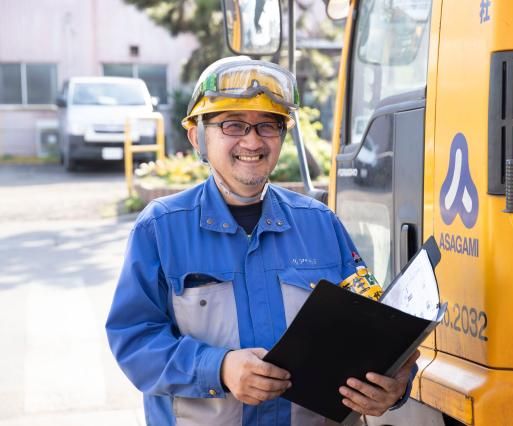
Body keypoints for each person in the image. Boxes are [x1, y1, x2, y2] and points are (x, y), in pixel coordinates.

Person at [105, 56, 419, 425]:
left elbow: (375, 328)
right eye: (233, 124)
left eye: (268, 125)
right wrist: (218, 368)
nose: (252, 140)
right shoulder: (160, 229)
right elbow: (134, 340)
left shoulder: (320, 224)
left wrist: (394, 383)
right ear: (197, 136)